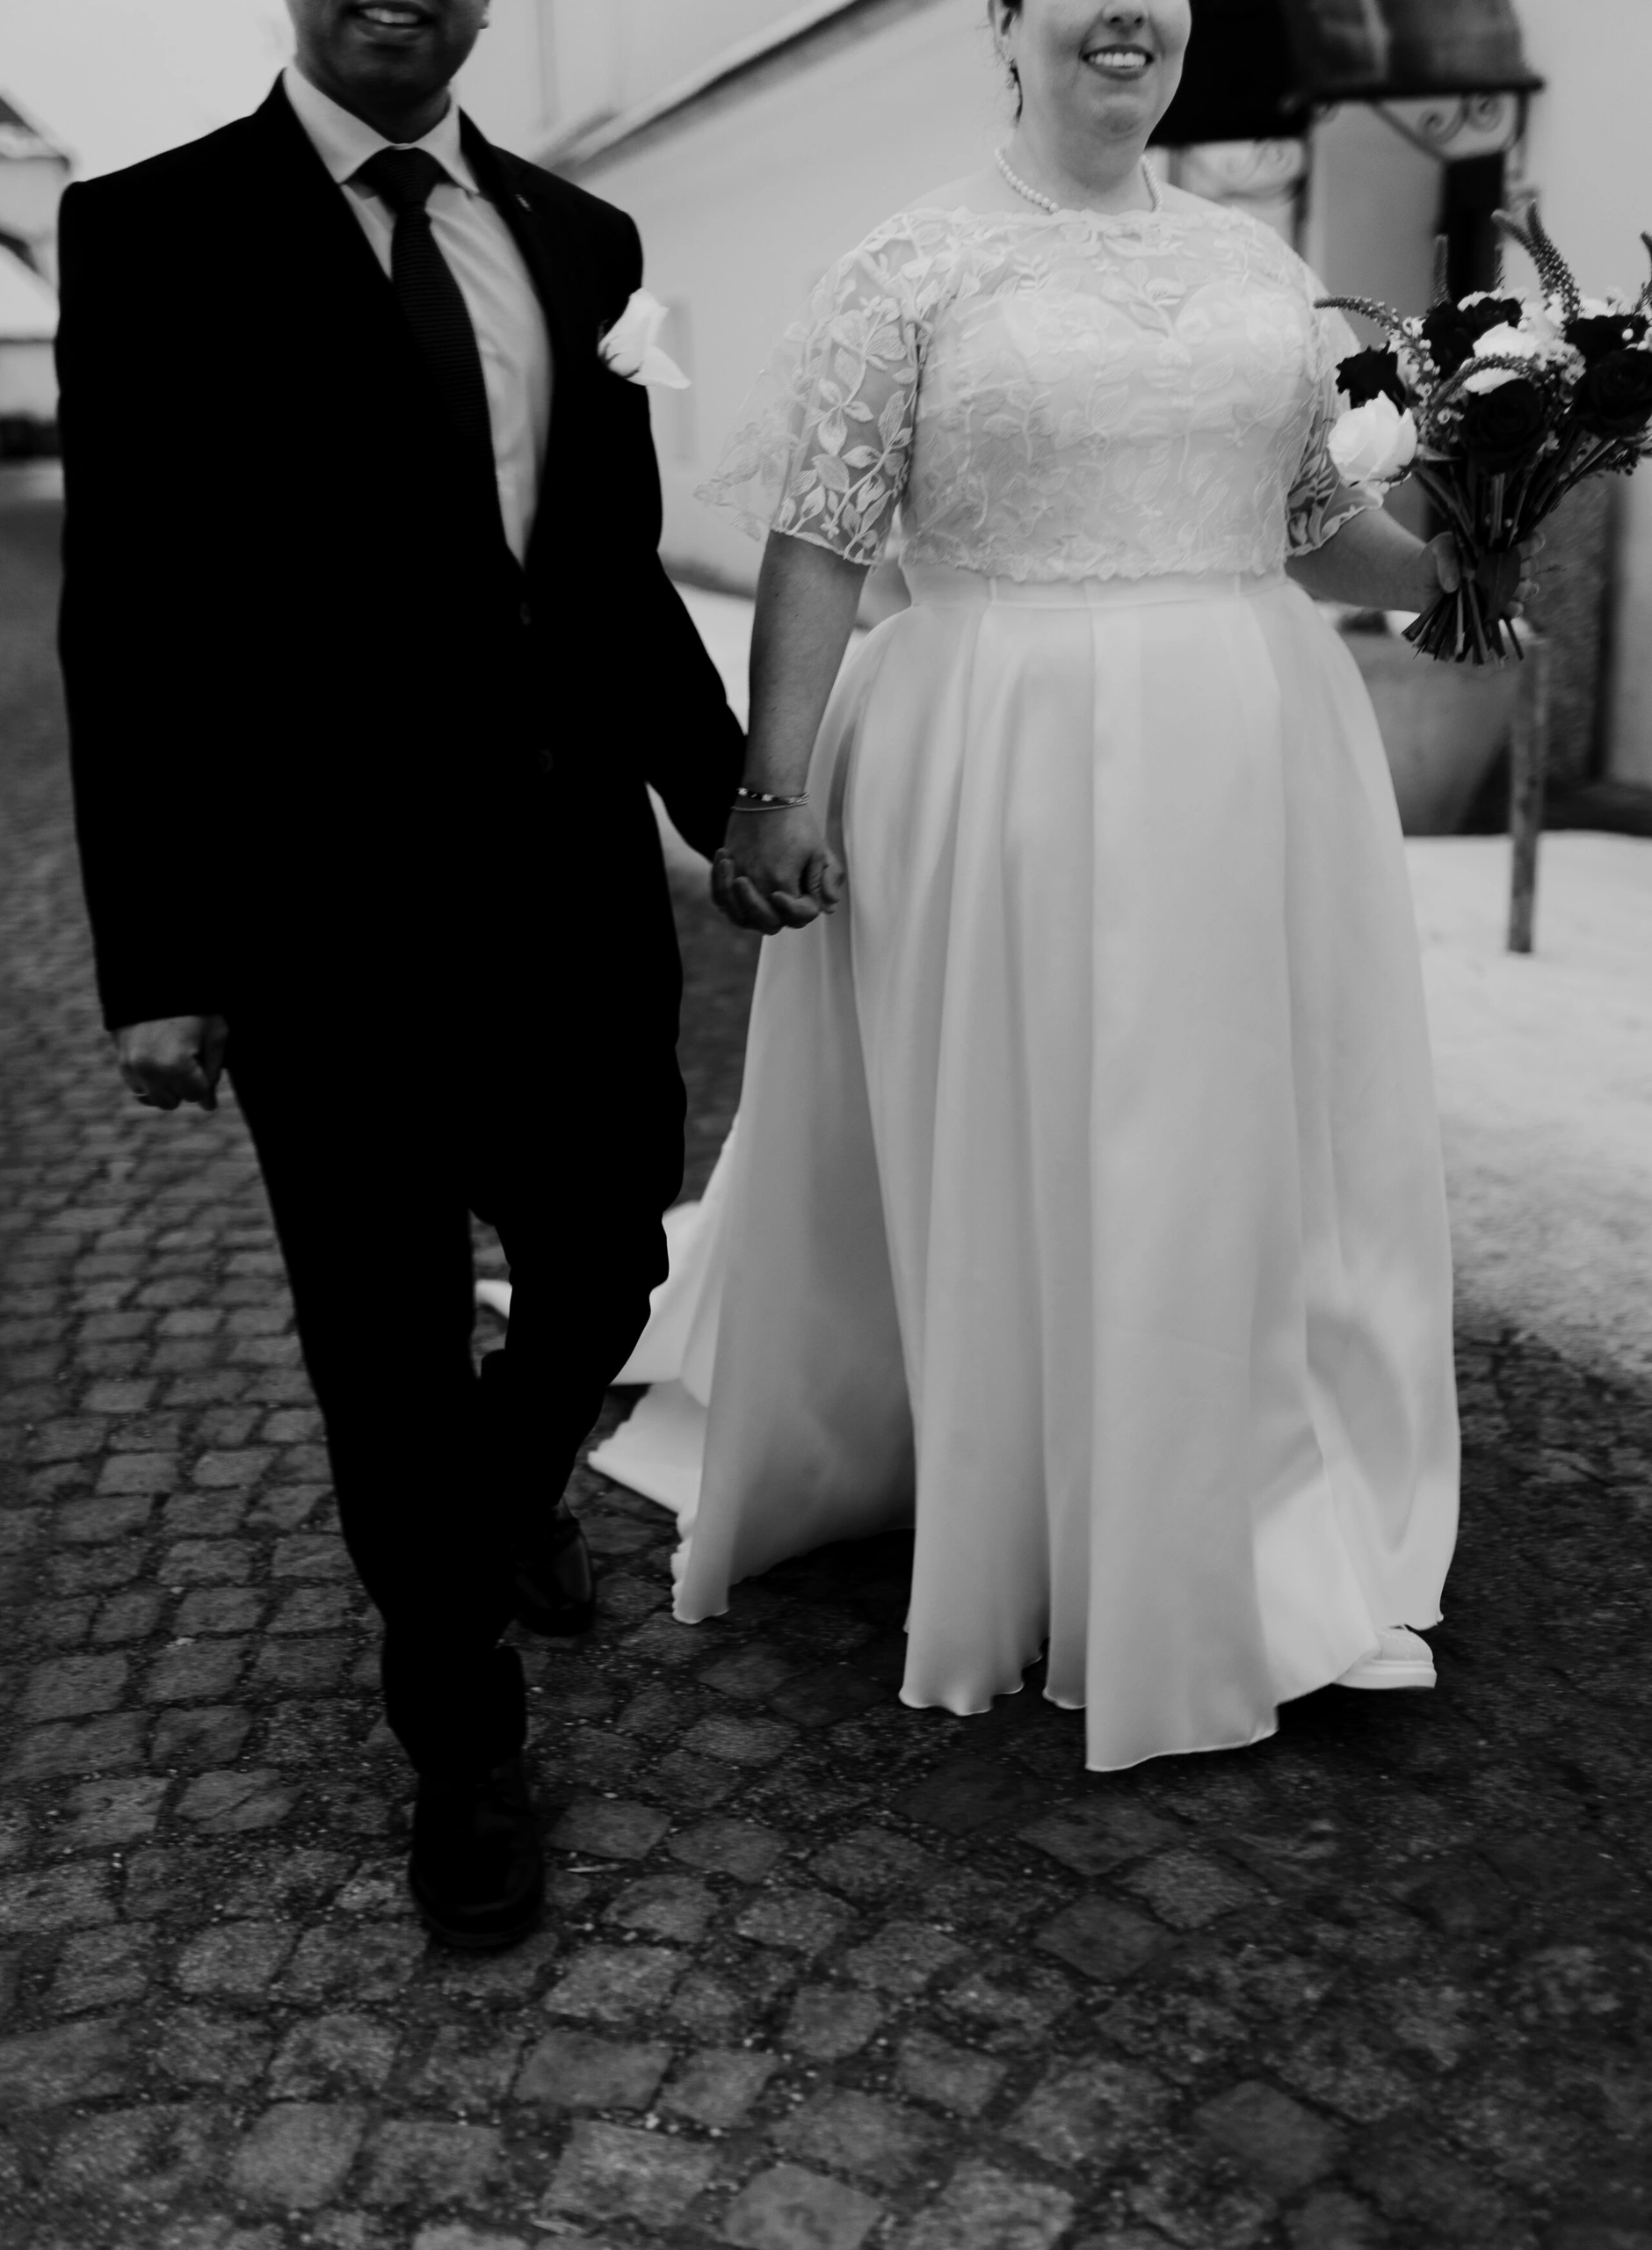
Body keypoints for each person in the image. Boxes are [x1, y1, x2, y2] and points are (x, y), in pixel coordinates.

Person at [594, 0, 1467, 1772]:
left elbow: (1303, 519)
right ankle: (1033, 1495)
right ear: (1006, 20)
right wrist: (769, 791)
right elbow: (824, 539)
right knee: (1042, 1127)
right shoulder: (906, 266)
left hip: (1246, 769)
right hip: (992, 760)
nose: (1127, 14)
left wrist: (1464, 546)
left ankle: (1247, 1497)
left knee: (1227, 1140)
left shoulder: (1250, 264)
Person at [55, 0, 743, 1947]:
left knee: (609, 1261)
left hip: (568, 896)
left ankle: (489, 1503)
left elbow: (607, 575)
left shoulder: (573, 237)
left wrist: (729, 802)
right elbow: (131, 619)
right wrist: (156, 961)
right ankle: (463, 1743)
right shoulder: (152, 229)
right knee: (380, 1340)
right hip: (315, 918)